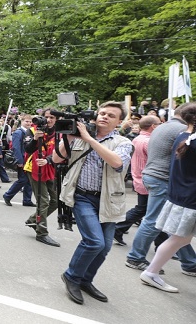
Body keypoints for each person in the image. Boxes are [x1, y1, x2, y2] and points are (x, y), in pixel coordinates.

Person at [54, 101, 133, 305]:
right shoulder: (80, 136)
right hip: (81, 196)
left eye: (111, 115)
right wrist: (67, 138)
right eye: (102, 113)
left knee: (105, 246)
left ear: (118, 122)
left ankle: (84, 280)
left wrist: (89, 139)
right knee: (94, 242)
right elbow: (55, 159)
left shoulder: (123, 142)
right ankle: (71, 276)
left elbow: (116, 163)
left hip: (109, 199)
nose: (105, 117)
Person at [125, 104, 196, 275]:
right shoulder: (183, 131)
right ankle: (135, 256)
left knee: (179, 229)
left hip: (154, 175)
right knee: (154, 221)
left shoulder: (164, 126)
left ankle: (189, 262)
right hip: (163, 179)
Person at [112, 116, 161, 246]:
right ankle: (118, 229)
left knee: (144, 209)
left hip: (139, 178)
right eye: (159, 124)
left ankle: (118, 229)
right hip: (148, 180)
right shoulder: (149, 141)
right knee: (152, 211)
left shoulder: (138, 139)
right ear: (153, 126)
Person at [24, 110, 60, 247]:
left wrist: (49, 160)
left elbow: (61, 151)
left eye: (52, 117)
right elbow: (27, 149)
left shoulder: (59, 133)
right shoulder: (32, 131)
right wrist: (35, 140)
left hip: (50, 166)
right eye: (46, 117)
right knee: (43, 201)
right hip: (34, 168)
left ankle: (33, 220)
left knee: (56, 200)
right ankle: (42, 233)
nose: (49, 120)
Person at [3, 114, 35, 206]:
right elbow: (16, 148)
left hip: (28, 159)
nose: (29, 123)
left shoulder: (30, 132)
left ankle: (27, 200)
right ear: (22, 121)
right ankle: (8, 195)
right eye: (26, 121)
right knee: (23, 180)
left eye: (30, 121)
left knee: (29, 180)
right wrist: (19, 161)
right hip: (22, 159)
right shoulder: (18, 132)